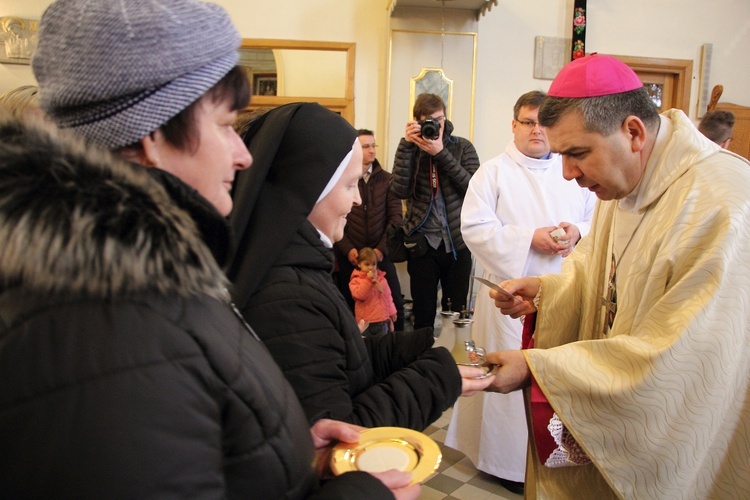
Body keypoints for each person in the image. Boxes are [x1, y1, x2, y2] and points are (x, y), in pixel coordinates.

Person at [0, 1, 417, 498]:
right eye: (224, 126)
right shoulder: (104, 318)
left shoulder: (149, 273)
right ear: (154, 132)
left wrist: (284, 451)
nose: (243, 156)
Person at [485, 54, 750, 498]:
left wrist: (538, 369)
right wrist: (550, 293)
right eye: (561, 155)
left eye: (577, 154)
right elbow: (597, 272)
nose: (567, 173)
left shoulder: (723, 202)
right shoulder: (627, 176)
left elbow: (683, 357)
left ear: (633, 132)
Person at [227, 102, 493, 430]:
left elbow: (349, 359)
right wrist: (438, 378)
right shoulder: (285, 299)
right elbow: (343, 434)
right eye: (350, 185)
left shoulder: (301, 264)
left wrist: (428, 343)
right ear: (308, 189)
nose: (357, 200)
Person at [445, 90, 596, 495]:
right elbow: (474, 229)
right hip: (509, 296)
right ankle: (504, 460)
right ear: (514, 125)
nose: (536, 130)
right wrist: (530, 238)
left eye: (544, 123)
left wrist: (578, 232)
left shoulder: (571, 168)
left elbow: (594, 212)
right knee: (509, 371)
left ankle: (552, 454)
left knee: (553, 371)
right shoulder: (492, 173)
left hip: (563, 292)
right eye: (528, 122)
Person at [390, 93, 479, 328]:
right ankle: (423, 361)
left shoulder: (462, 147)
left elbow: (474, 188)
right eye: (430, 120)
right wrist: (407, 146)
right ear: (417, 122)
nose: (436, 125)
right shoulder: (411, 149)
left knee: (457, 312)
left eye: (440, 119)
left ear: (446, 117)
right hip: (423, 244)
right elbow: (399, 190)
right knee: (423, 312)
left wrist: (441, 153)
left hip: (458, 242)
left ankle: (454, 361)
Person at [335, 129, 405, 330]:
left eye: (374, 145)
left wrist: (381, 250)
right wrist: (347, 248)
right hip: (352, 256)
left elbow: (395, 219)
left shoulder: (388, 179)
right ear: (355, 149)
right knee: (349, 307)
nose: (372, 150)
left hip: (381, 255)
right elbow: (338, 214)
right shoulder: (344, 178)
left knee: (395, 306)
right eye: (366, 146)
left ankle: (396, 352)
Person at [350, 247, 398, 337]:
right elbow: (359, 295)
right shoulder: (356, 281)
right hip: (365, 322)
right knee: (367, 347)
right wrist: (368, 280)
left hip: (381, 320)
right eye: (367, 264)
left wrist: (392, 312)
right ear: (359, 264)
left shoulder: (382, 279)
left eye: (374, 264)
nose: (371, 267)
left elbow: (387, 296)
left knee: (382, 346)